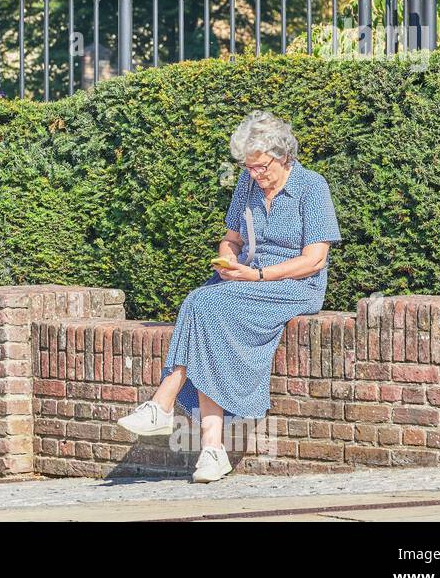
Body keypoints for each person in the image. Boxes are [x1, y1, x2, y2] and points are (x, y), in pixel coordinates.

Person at [117, 110, 342, 483]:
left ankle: (163, 404)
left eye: (261, 166)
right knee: (202, 303)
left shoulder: (312, 186)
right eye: (249, 167)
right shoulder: (247, 184)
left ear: (284, 155)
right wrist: (229, 259)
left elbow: (314, 260)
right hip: (246, 280)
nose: (255, 174)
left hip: (293, 286)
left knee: (205, 303)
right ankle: (211, 449)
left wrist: (257, 274)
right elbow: (232, 236)